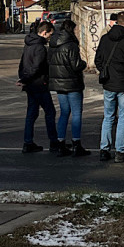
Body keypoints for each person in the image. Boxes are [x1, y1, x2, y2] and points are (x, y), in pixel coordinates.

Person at [95, 11, 124, 163]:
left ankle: (104, 149)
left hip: (109, 83)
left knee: (108, 117)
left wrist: (105, 71)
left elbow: (98, 60)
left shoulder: (104, 38)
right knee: (123, 117)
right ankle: (120, 151)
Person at [48, 20, 90, 157]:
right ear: (72, 30)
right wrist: (84, 63)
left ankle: (60, 143)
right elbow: (76, 65)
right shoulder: (71, 45)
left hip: (58, 84)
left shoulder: (53, 44)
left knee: (64, 113)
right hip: (72, 83)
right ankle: (76, 144)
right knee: (76, 113)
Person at [17, 21, 59, 153]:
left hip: (30, 85)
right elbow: (36, 67)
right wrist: (25, 79)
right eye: (49, 35)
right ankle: (53, 141)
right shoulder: (40, 48)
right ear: (44, 32)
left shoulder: (28, 45)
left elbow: (22, 64)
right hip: (39, 84)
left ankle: (28, 142)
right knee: (50, 112)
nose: (49, 38)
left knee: (31, 114)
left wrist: (23, 79)